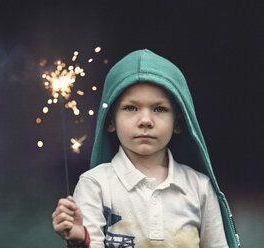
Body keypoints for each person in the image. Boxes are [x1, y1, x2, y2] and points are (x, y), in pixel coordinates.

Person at [52, 49, 240, 248]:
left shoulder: (199, 187)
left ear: (178, 122)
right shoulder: (95, 185)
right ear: (110, 120)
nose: (145, 121)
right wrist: (79, 240)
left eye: (159, 109)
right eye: (131, 108)